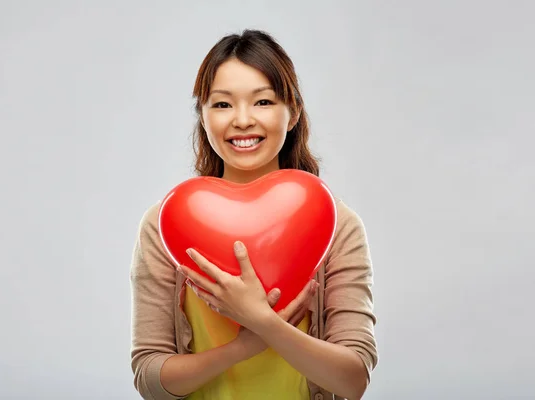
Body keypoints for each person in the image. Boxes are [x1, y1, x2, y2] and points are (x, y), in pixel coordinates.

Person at [130, 29, 377, 400]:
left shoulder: (336, 224)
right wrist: (242, 347)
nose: (242, 120)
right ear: (203, 116)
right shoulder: (165, 223)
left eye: (262, 102)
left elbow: (354, 380)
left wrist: (263, 321)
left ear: (292, 112)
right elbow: (149, 379)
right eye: (222, 104)